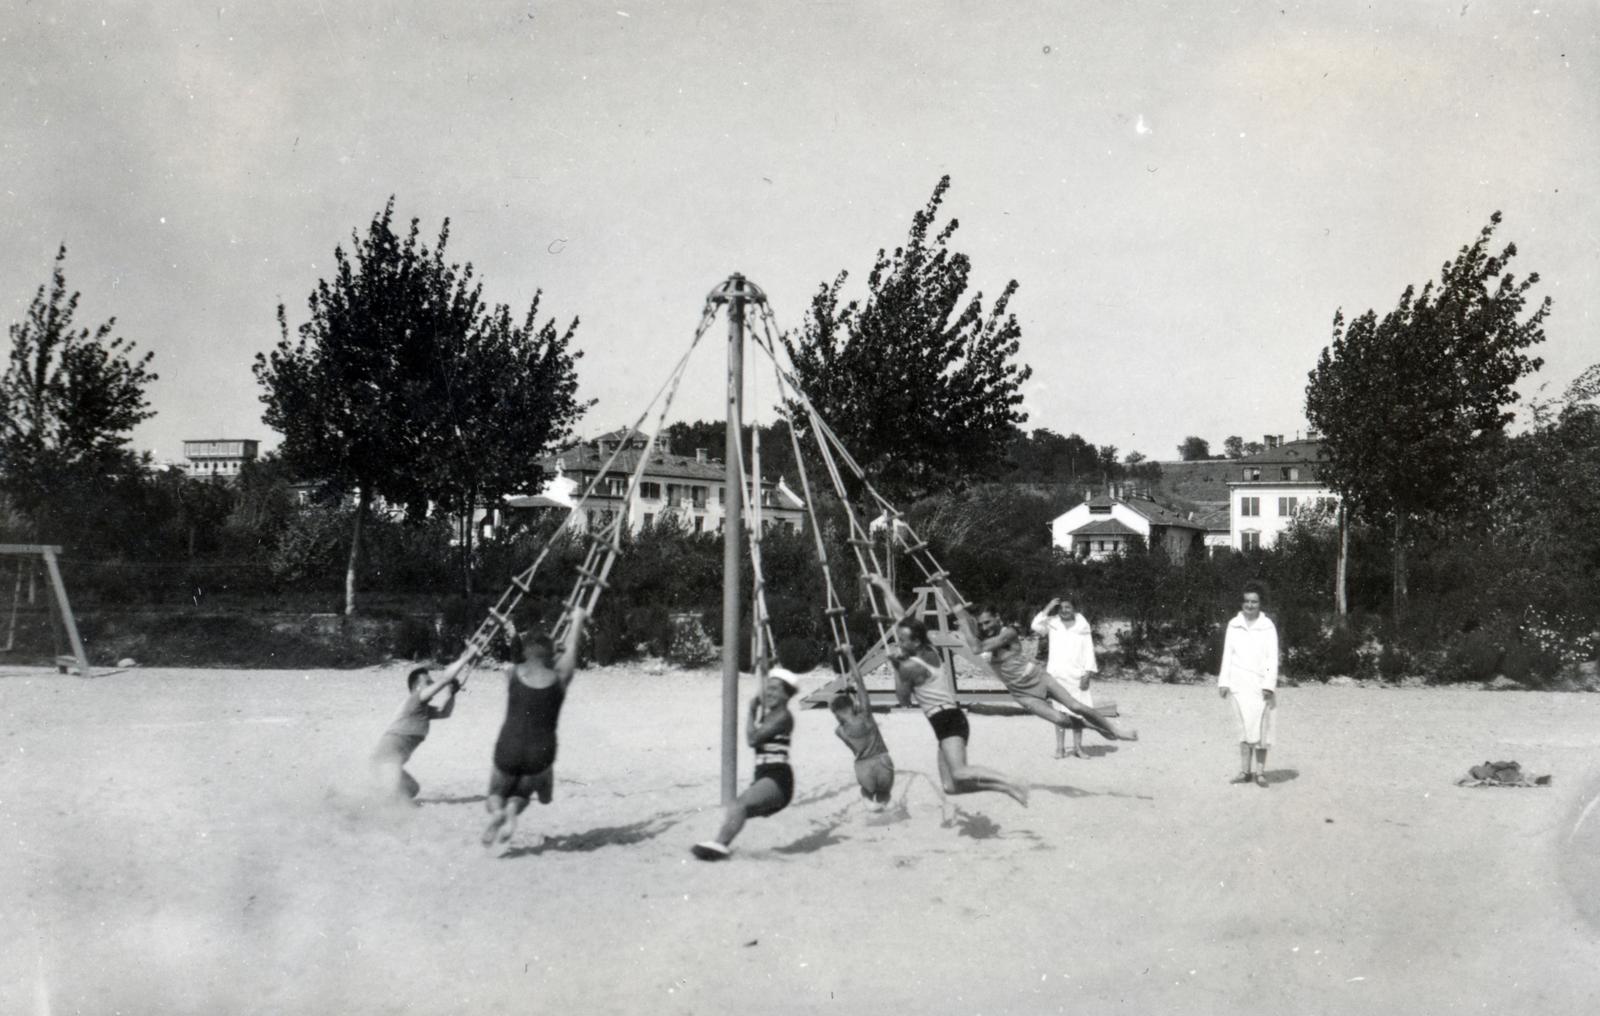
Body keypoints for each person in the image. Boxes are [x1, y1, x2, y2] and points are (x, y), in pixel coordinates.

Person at [865, 575, 1029, 805]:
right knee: (951, 787)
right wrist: (883, 586)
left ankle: (1012, 780)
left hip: (948, 719)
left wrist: (897, 668)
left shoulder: (911, 667)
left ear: (915, 642)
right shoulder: (926, 649)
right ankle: (1005, 788)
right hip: (946, 720)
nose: (899, 642)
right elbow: (901, 617)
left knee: (960, 772)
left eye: (902, 640)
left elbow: (903, 700)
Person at [943, 579, 1137, 743]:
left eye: (988, 622)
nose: (985, 627)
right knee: (1061, 720)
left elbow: (976, 648)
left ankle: (1116, 730)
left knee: (1075, 706)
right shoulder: (982, 637)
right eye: (981, 624)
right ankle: (1093, 727)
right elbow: (958, 610)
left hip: (1038, 678)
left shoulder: (1009, 632)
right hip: (1020, 692)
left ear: (997, 618)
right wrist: (942, 583)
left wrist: (965, 625)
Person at [480, 608, 587, 848]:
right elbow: (571, 651)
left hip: (509, 745)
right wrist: (577, 620)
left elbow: (519, 656)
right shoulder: (560, 679)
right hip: (541, 752)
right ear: (550, 653)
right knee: (522, 793)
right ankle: (512, 810)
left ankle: (498, 811)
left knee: (495, 793)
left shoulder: (512, 674)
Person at [693, 668, 801, 860]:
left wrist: (751, 710)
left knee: (738, 806)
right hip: (765, 774)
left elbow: (752, 739)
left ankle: (719, 845)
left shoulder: (782, 716)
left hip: (777, 777)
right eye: (768, 688)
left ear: (787, 694)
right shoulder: (771, 714)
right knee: (736, 810)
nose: (769, 693)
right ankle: (720, 846)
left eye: (775, 689)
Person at [370, 659, 463, 801]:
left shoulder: (422, 709)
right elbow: (445, 679)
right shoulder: (415, 699)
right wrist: (467, 657)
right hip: (387, 756)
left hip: (390, 759)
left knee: (412, 789)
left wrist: (452, 694)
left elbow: (444, 713)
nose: (432, 684)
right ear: (417, 687)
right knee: (387, 800)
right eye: (428, 682)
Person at [1218, 581, 1279, 788]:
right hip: (1238, 685)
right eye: (1246, 601)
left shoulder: (1267, 626)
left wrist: (1269, 685)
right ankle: (1245, 771)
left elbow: (1272, 658)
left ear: (1260, 603)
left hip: (1261, 687)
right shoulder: (1234, 625)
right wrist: (1224, 681)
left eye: (1254, 601)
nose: (1250, 605)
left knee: (1261, 731)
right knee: (1243, 730)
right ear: (1241, 602)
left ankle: (1260, 773)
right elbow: (1227, 654)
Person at [1030, 595, 1099, 759]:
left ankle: (1078, 748)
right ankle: (1060, 748)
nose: (1064, 610)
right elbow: (1035, 625)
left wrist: (1088, 672)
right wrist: (1048, 608)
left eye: (1068, 607)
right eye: (1061, 608)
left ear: (1074, 609)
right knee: (1059, 712)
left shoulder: (1082, 625)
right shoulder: (1052, 623)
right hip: (1057, 675)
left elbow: (1088, 649)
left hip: (1077, 675)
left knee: (1078, 712)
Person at [830, 680, 894, 809]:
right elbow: (862, 704)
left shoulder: (839, 731)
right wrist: (854, 697)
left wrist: (850, 701)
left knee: (866, 791)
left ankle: (868, 802)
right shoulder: (866, 718)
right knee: (884, 793)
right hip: (882, 760)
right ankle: (883, 806)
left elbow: (848, 718)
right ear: (853, 707)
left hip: (863, 767)